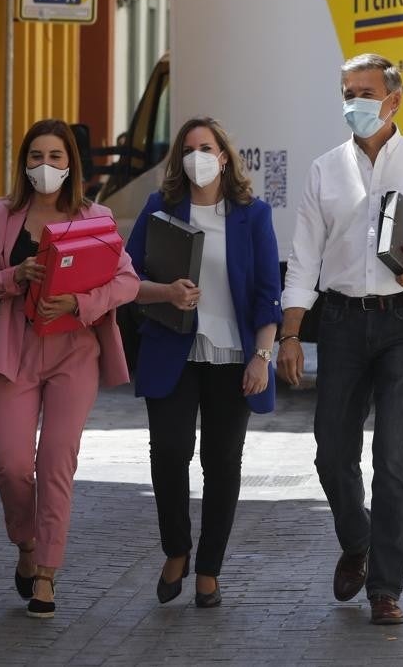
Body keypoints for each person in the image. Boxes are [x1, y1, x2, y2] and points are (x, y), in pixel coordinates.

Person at [277, 53, 403, 625]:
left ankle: (385, 589)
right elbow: (303, 258)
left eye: (365, 93)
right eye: (348, 92)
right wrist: (291, 332)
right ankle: (358, 541)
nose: (354, 103)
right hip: (342, 322)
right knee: (331, 451)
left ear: (394, 100)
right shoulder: (325, 169)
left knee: (394, 460)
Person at [0, 119, 139, 619]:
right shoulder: (2, 213)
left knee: (56, 463)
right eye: (36, 156)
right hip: (16, 350)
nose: (44, 166)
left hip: (74, 351)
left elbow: (127, 282)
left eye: (55, 157)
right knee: (10, 464)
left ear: (71, 164)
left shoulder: (96, 215)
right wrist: (15, 275)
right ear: (24, 162)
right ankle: (26, 543)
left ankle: (46, 572)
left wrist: (80, 302)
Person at [125, 116, 282, 608]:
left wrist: (262, 356)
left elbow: (268, 292)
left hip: (233, 357)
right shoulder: (159, 208)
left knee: (222, 463)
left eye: (207, 148)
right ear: (179, 159)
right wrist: (165, 292)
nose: (198, 157)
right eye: (189, 149)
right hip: (172, 349)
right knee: (169, 453)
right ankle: (177, 549)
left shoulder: (253, 215)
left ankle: (209, 568)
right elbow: (125, 277)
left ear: (225, 157)